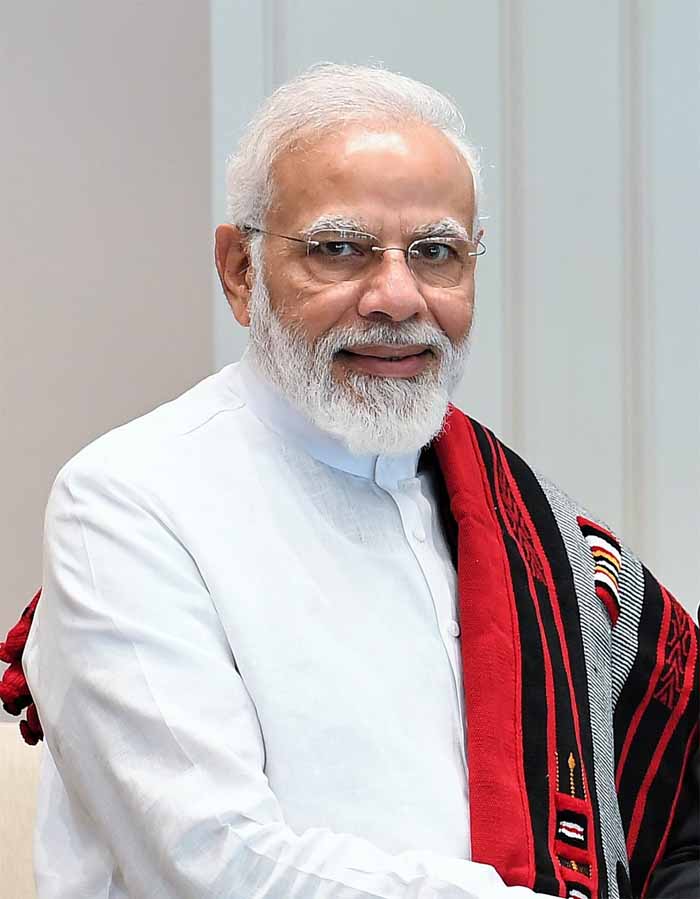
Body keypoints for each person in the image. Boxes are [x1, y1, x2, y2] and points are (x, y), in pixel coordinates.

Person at [1, 63, 697, 899]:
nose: (397, 297)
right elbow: (213, 863)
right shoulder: (130, 500)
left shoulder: (530, 533)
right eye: (339, 249)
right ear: (240, 270)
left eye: (436, 253)